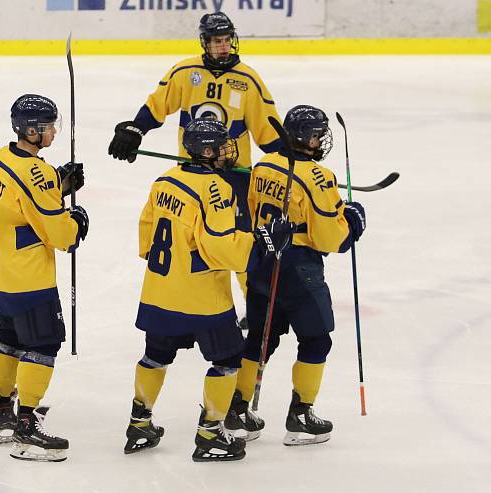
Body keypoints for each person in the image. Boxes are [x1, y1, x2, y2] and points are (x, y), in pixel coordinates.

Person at [123, 119, 293, 462]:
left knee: (155, 355)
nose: (228, 152)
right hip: (202, 298)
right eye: (221, 146)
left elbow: (146, 235)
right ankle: (210, 434)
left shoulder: (164, 181)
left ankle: (139, 423)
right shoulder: (216, 188)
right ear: (206, 151)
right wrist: (261, 241)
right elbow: (221, 246)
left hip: (159, 291)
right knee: (228, 359)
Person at [108, 11, 283, 321]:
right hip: (193, 176)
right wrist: (135, 130)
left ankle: (256, 309)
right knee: (190, 243)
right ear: (205, 42)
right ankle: (188, 307)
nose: (223, 46)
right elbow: (156, 105)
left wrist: (287, 162)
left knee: (241, 241)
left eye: (227, 39)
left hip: (234, 176)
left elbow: (267, 130)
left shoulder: (248, 80)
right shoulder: (185, 72)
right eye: (217, 41)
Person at [225, 105, 367, 446]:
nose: (322, 140)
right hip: (298, 269)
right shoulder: (319, 178)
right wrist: (352, 223)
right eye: (319, 133)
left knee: (259, 338)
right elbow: (330, 239)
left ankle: (237, 408)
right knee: (317, 339)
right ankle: (300, 415)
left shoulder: (263, 164)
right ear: (309, 138)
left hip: (260, 260)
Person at [0, 94, 88, 463]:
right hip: (30, 278)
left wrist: (58, 183)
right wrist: (76, 222)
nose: (53, 131)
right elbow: (59, 235)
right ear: (31, 130)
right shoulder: (38, 173)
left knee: (9, 339)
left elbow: (21, 200)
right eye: (48, 127)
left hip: (2, 273)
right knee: (43, 344)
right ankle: (26, 425)